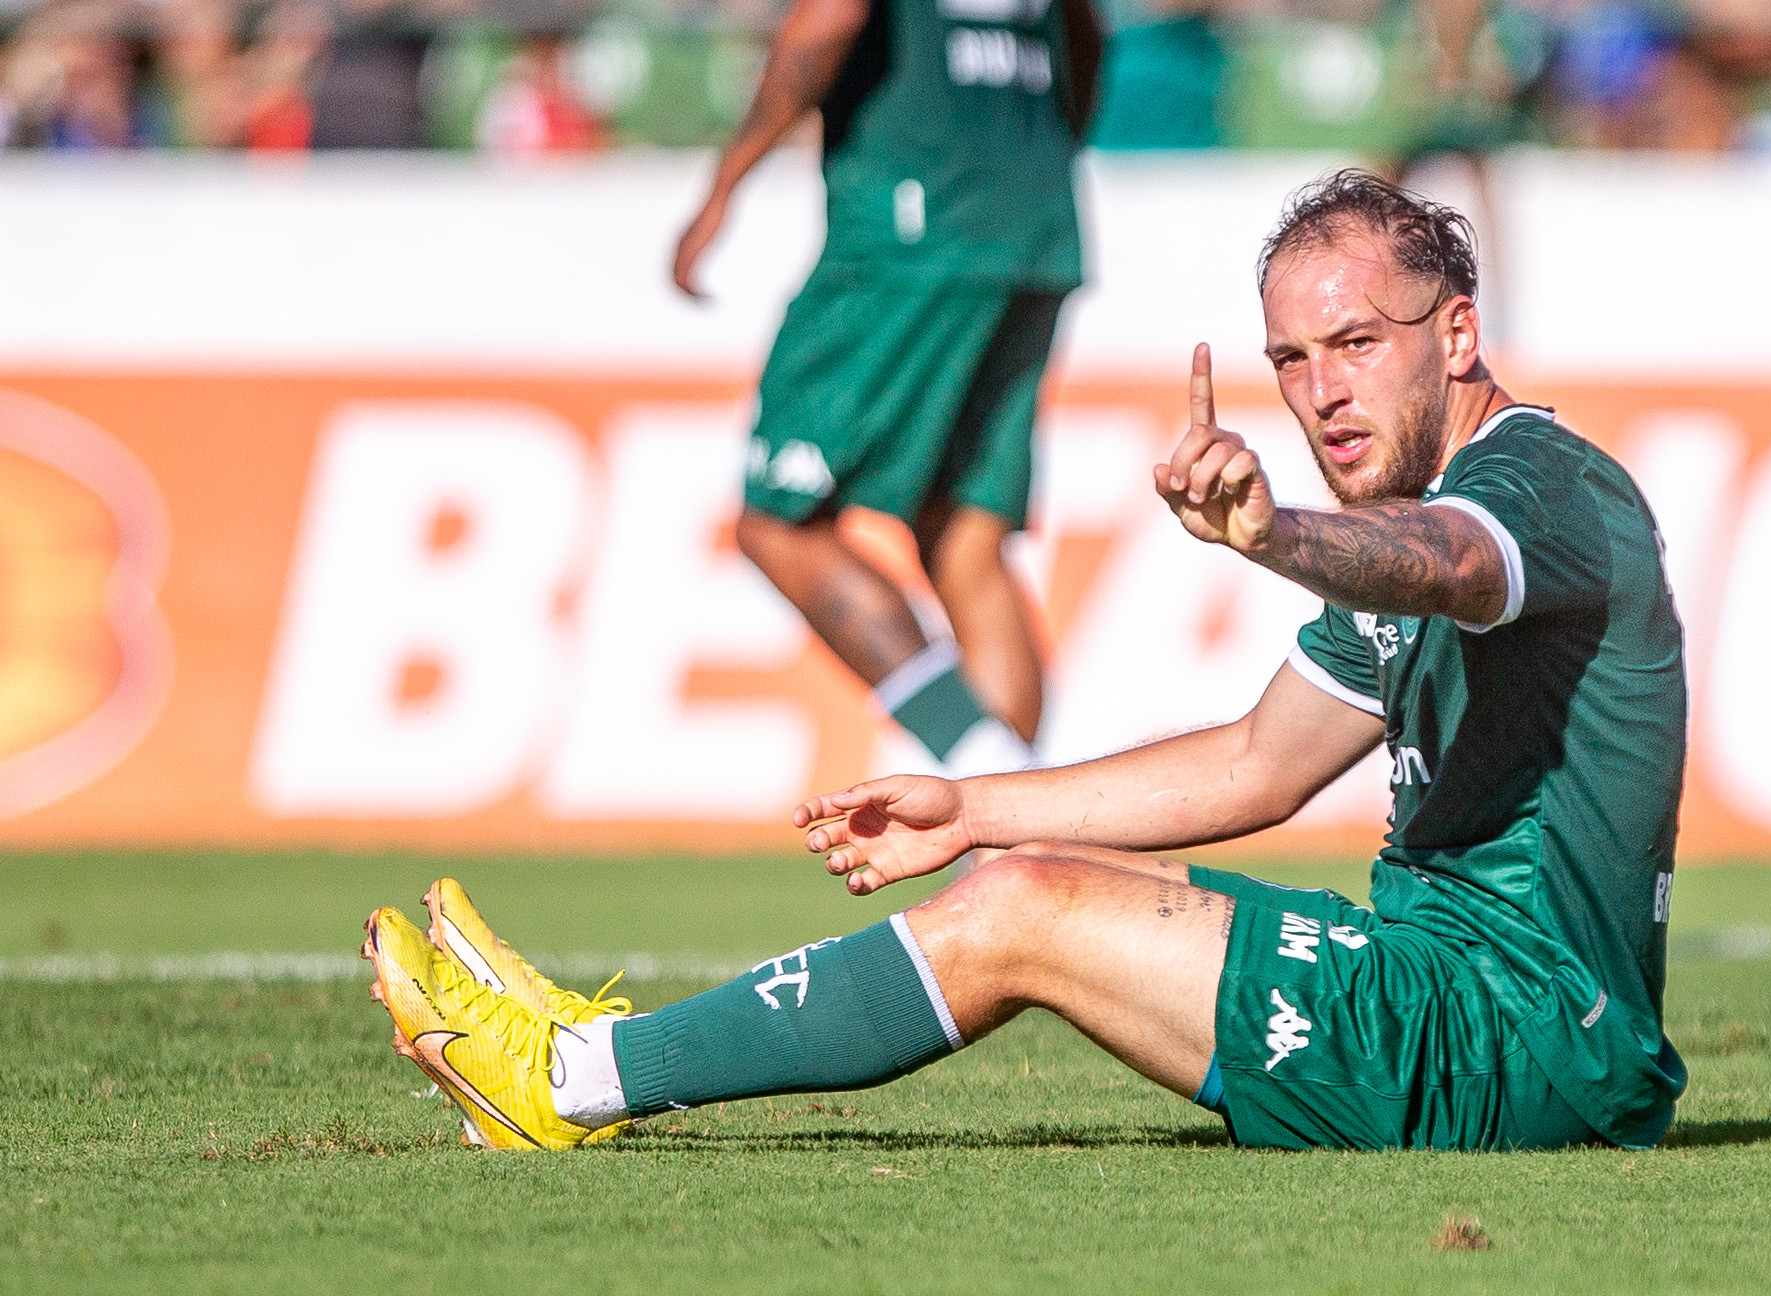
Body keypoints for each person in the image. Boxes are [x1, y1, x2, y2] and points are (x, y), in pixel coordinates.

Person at [363, 170, 1689, 1154]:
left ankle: (565, 1081)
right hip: (1447, 995)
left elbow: (1450, 563)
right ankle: (592, 1055)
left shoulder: (1538, 493)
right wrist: (973, 808)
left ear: (1455, 336)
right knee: (1020, 880)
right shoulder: (1390, 523)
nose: (1321, 390)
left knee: (1026, 915)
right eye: (1290, 358)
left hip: (1519, 1036)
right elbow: (1256, 762)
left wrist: (1281, 533)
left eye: (1359, 344)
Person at [669, 0, 1101, 777]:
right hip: (1037, 219)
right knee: (963, 536)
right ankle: (1012, 849)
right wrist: (1037, 153)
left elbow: (829, 19)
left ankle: (985, 773)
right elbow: (1085, 30)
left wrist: (724, 183)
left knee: (779, 523)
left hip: (913, 224)